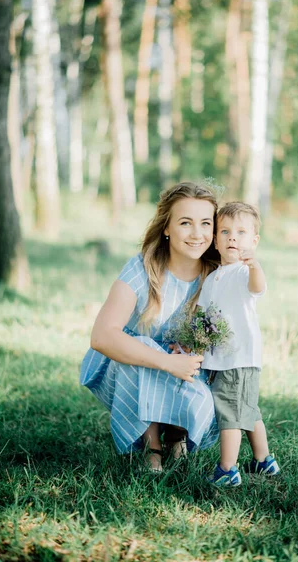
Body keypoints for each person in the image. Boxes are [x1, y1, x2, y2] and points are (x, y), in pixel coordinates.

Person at [80, 182, 221, 472]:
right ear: (166, 228)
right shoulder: (142, 268)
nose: (197, 234)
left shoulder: (217, 276)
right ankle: (150, 444)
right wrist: (168, 362)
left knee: (201, 361)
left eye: (206, 223)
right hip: (129, 370)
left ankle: (176, 433)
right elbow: (102, 336)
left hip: (186, 369)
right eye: (185, 223)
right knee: (141, 349)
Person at [197, 202, 280, 486]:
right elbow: (203, 317)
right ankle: (264, 461)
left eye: (241, 232)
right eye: (225, 231)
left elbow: (258, 288)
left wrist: (254, 264)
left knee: (230, 413)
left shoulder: (246, 272)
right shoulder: (211, 278)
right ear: (216, 241)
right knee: (247, 410)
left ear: (253, 241)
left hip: (240, 357)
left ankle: (227, 469)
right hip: (221, 357)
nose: (233, 237)